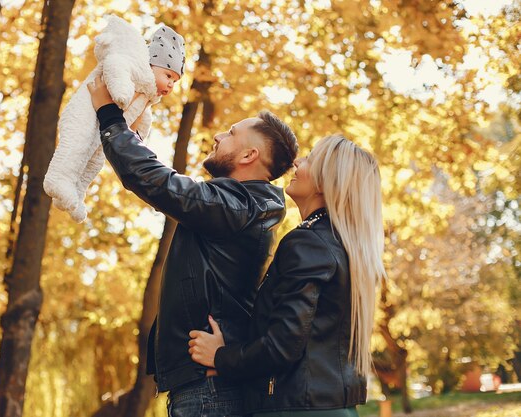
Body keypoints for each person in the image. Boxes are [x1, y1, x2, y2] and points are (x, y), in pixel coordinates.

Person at [87, 75, 299, 416]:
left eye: (231, 133)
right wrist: (132, 133)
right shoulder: (239, 206)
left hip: (209, 387)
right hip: (206, 383)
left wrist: (109, 115)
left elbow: (158, 183)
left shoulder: (237, 206)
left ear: (249, 154)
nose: (218, 135)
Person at [188, 134, 387, 416]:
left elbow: (283, 344)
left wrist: (221, 357)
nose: (297, 161)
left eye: (310, 159)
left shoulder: (308, 243)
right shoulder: (343, 247)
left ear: (327, 180)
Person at [44, 16, 185, 222]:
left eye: (176, 81)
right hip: (85, 112)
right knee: (77, 143)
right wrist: (122, 90)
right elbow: (114, 63)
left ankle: (76, 191)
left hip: (103, 129)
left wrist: (137, 137)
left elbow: (142, 120)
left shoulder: (147, 95)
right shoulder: (138, 69)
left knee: (95, 160)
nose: (171, 84)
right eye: (168, 76)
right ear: (152, 65)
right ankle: (57, 180)